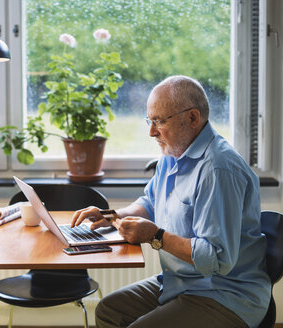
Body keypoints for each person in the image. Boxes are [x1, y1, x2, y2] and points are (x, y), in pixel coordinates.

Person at [71, 75, 271, 328]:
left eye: (159, 121)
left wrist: (156, 236)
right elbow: (151, 202)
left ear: (192, 118)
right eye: (150, 120)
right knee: (109, 310)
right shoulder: (172, 153)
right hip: (182, 282)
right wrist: (111, 217)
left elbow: (216, 258)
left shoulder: (218, 169)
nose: (152, 131)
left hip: (226, 295)